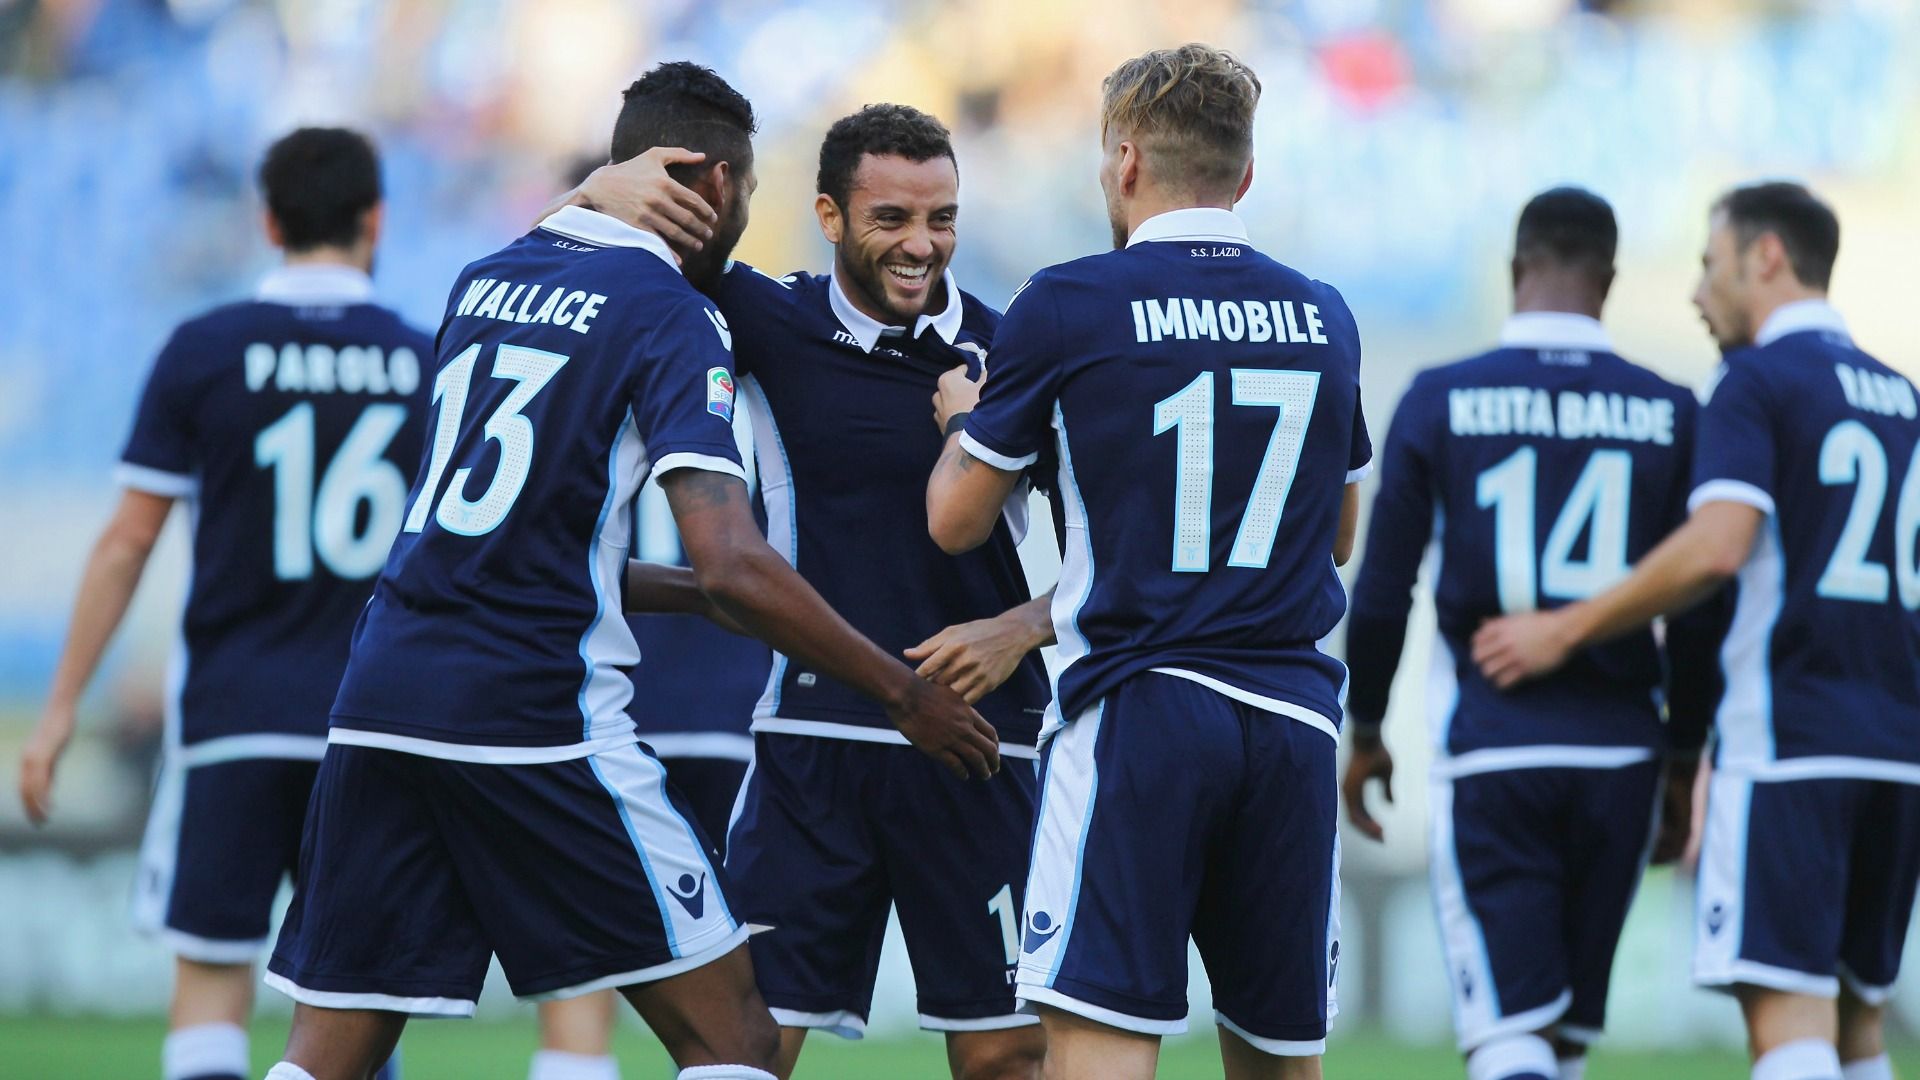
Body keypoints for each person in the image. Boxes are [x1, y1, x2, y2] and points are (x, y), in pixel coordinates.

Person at [258, 62, 997, 1080]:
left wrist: (584, 194)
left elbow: (517, 534)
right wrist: (904, 692)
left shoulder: (486, 279)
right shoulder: (667, 312)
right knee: (737, 1035)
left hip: (380, 696)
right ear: (720, 186)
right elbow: (735, 564)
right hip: (530, 716)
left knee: (328, 1052)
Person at [563, 103, 1053, 1080]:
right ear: (827, 215)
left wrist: (1018, 626)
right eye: (892, 219)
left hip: (981, 746)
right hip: (811, 749)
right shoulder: (764, 319)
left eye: (942, 218)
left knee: (1002, 1059)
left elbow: (1124, 548)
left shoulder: (1020, 352)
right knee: (746, 1049)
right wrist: (586, 191)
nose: (922, 245)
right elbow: (591, 269)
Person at [925, 43, 1368, 1080]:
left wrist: (963, 420)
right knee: (1278, 1061)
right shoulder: (1324, 314)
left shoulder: (1071, 300)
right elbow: (1336, 535)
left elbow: (956, 520)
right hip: (1294, 721)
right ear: (1243, 175)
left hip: (1141, 711)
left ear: (1125, 163)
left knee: (1099, 1050)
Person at [1472, 181, 1920, 1080]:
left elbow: (1717, 549)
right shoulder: (1904, 396)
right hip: (1896, 752)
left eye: (1709, 265)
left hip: (1792, 743)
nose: (1695, 293)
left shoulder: (1754, 382)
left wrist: (1567, 629)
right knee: (1857, 1022)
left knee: (1789, 1020)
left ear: (1766, 258)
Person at [17, 127, 422, 1080]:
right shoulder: (420, 361)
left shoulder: (206, 350)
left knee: (210, 985)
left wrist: (63, 708)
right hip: (367, 727)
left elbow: (127, 540)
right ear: (377, 220)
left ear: (268, 220)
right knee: (350, 1004)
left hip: (232, 718)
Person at [1342, 188, 1725, 1080]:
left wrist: (1365, 733)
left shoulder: (1441, 398)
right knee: (1559, 1043)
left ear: (1517, 270)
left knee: (1510, 1036)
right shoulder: (1672, 409)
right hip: (1622, 757)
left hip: (1494, 751)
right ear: (1610, 279)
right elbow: (1700, 606)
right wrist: (1680, 760)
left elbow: (1384, 592)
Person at [529, 162, 769, 1080]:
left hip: (607, 711)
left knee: (586, 1005)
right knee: (738, 1015)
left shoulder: (569, 334)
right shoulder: (746, 326)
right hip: (741, 704)